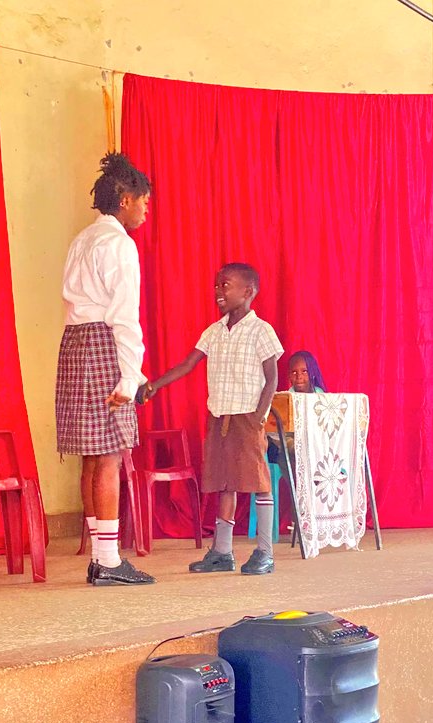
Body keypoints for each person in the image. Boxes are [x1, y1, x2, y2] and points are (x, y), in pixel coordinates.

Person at [138, 263, 283, 575]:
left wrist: (259, 415)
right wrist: (154, 385)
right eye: (216, 285)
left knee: (259, 482)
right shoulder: (214, 331)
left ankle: (265, 553)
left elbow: (272, 377)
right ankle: (222, 552)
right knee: (224, 482)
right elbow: (188, 364)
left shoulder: (261, 330)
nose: (218, 291)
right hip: (219, 416)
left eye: (225, 285)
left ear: (248, 291)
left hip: (247, 417)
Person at [55, 152, 155, 586]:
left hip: (75, 344)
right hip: (103, 344)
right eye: (144, 201)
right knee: (111, 454)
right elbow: (124, 316)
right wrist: (131, 377)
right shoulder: (119, 244)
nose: (146, 210)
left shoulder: (82, 239)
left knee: (92, 456)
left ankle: (99, 555)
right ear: (126, 199)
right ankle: (109, 561)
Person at [267, 349, 327, 468]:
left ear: (312, 373)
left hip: (314, 440)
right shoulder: (286, 398)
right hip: (290, 439)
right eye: (294, 372)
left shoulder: (320, 397)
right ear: (289, 376)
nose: (299, 376)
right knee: (289, 448)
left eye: (304, 371)